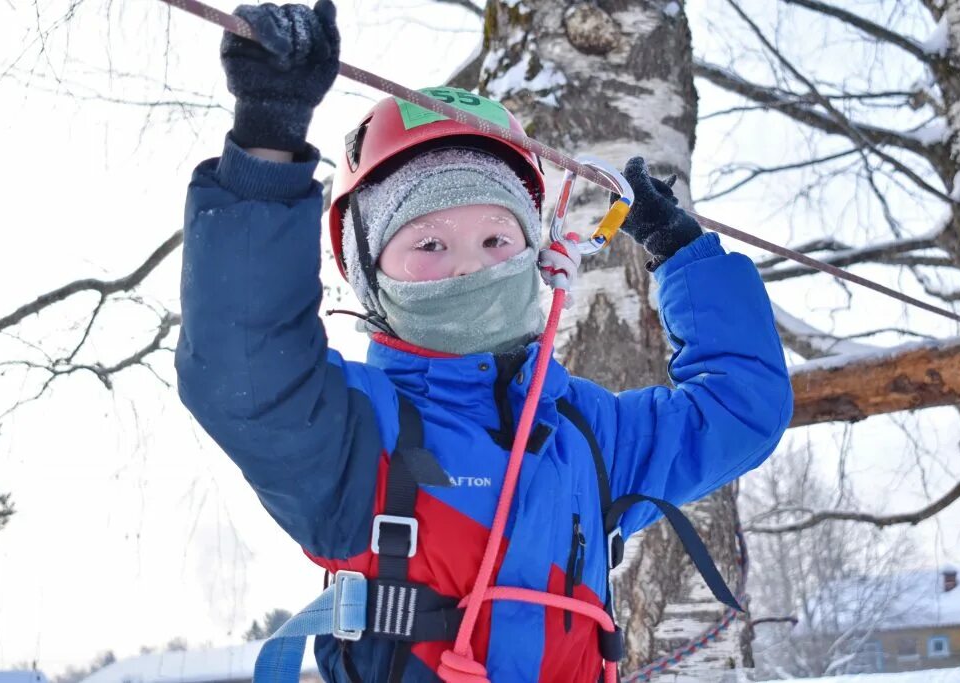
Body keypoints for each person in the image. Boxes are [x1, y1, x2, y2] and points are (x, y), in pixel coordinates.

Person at [175, 2, 793, 681]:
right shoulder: (352, 436)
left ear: (539, 253)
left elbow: (741, 410)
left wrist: (683, 257)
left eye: (497, 239)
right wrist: (268, 145)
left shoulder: (589, 434)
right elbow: (244, 365)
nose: (470, 265)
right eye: (429, 243)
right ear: (368, 276)